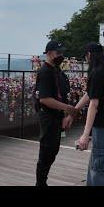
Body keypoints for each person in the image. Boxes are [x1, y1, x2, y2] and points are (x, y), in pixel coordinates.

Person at [74, 42, 104, 186]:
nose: (86, 60)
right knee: (100, 162)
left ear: (89, 55)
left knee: (100, 167)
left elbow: (93, 104)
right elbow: (89, 94)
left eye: (86, 56)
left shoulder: (96, 73)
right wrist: (73, 111)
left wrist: (85, 135)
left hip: (102, 126)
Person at [34, 40, 78, 187]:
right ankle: (40, 183)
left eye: (62, 53)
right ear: (49, 53)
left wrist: (65, 115)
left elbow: (62, 94)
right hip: (47, 115)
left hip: (57, 116)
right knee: (47, 150)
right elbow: (45, 99)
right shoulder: (45, 72)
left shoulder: (57, 70)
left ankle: (42, 181)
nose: (61, 55)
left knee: (53, 149)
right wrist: (67, 108)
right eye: (58, 53)